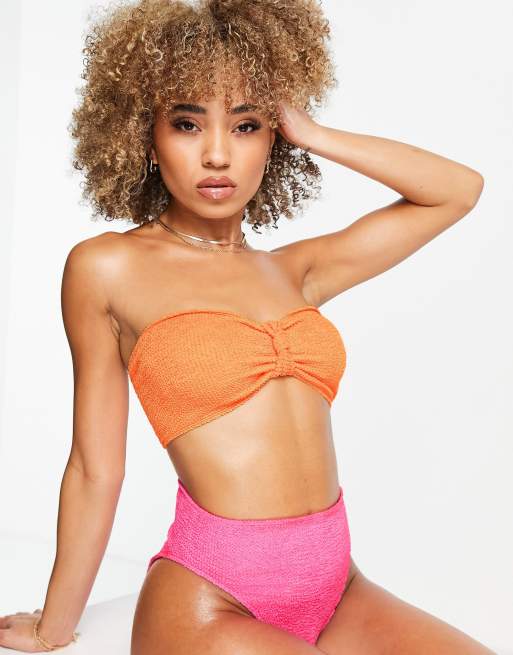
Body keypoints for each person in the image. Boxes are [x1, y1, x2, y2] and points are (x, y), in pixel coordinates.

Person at [0, 0, 494, 653]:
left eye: (246, 125)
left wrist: (310, 131)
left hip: (339, 588)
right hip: (210, 602)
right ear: (144, 134)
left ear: (272, 139)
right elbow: (96, 467)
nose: (216, 154)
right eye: (186, 123)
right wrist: (53, 626)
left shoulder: (295, 271)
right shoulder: (107, 267)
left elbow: (457, 190)